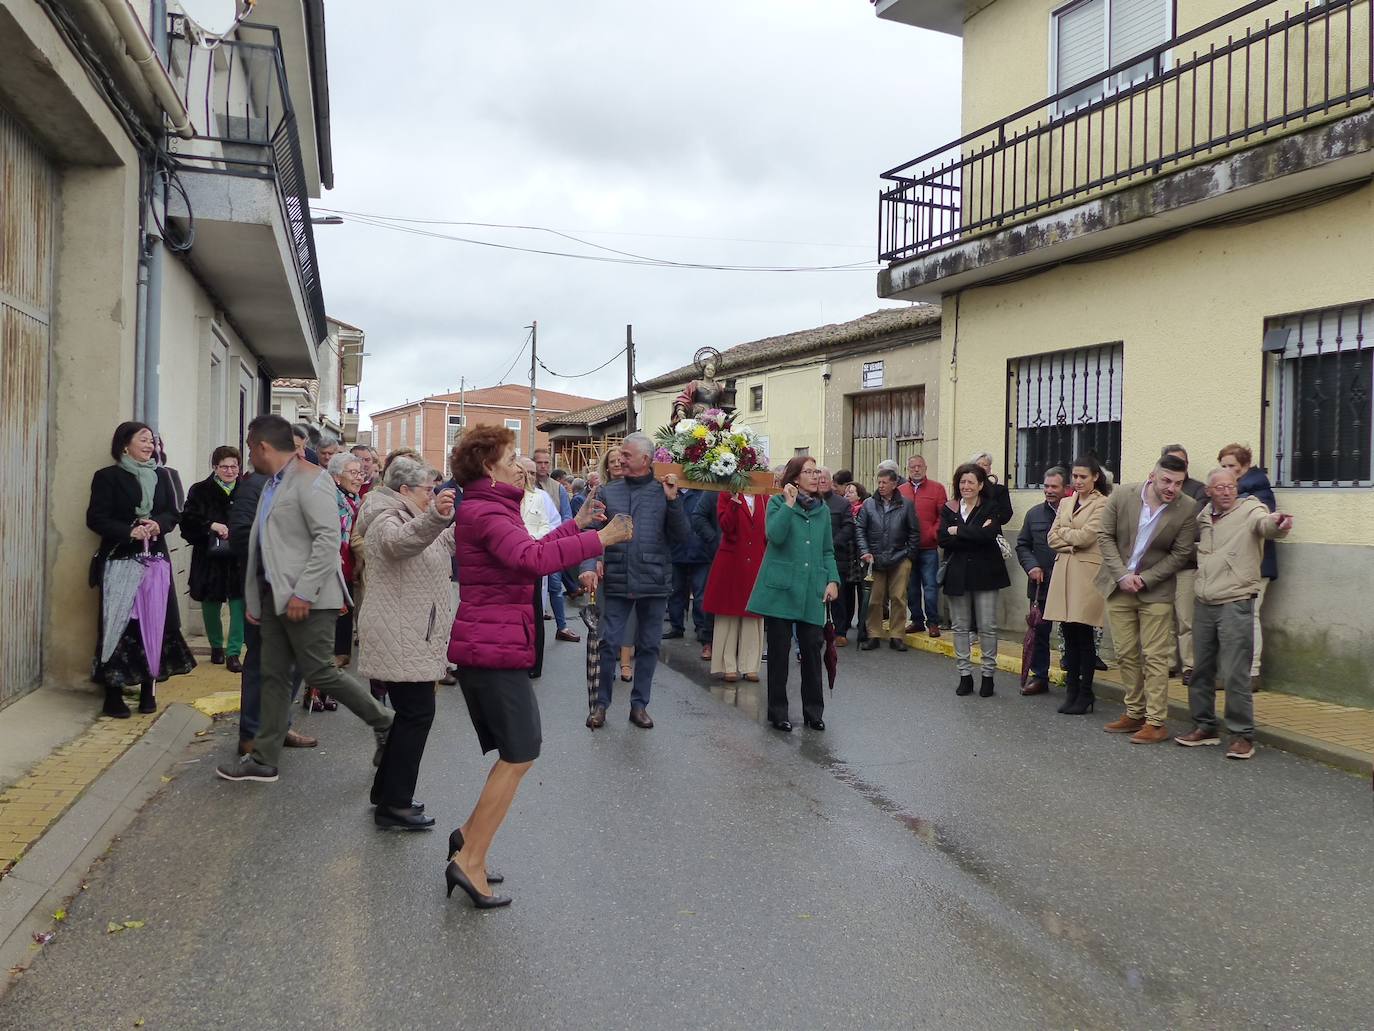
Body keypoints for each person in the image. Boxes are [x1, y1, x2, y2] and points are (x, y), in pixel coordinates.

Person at [445, 426, 626, 907]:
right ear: (489, 465)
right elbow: (531, 558)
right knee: (521, 753)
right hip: (492, 647)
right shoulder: (485, 509)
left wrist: (578, 524)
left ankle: (467, 838)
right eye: (511, 456)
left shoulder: (491, 505)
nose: (519, 463)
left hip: (494, 643)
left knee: (517, 751)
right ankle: (470, 860)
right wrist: (598, 539)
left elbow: (529, 548)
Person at [216, 415, 394, 784]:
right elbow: (263, 545)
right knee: (274, 676)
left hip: (308, 599)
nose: (249, 455)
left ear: (263, 446)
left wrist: (303, 592)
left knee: (320, 672)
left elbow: (327, 541)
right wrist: (256, 599)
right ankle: (264, 758)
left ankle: (386, 722)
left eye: (250, 448)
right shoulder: (273, 483)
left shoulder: (313, 481)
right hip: (275, 598)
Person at [354, 457, 458, 829]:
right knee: (417, 715)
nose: (432, 496)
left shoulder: (411, 516)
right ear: (404, 491)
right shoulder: (386, 518)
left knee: (409, 715)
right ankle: (395, 804)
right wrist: (436, 517)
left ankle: (387, 793)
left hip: (409, 633)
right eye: (427, 490)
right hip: (400, 634)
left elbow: (442, 540)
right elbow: (401, 545)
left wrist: (464, 518)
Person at [1175, 467, 1293, 759]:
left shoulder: (1251, 510)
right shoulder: (1203, 517)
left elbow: (1266, 525)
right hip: (1204, 601)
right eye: (1220, 487)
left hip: (1236, 602)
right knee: (1200, 669)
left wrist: (1278, 524)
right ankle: (1204, 726)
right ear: (1210, 492)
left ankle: (1242, 735)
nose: (1227, 491)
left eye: (1231, 486)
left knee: (1235, 673)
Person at [87, 422, 197, 717]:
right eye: (144, 440)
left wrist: (158, 524)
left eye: (153, 441)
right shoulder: (107, 477)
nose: (151, 446)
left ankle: (149, 690)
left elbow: (174, 513)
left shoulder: (163, 476)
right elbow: (96, 518)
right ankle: (113, 695)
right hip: (121, 559)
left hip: (155, 561)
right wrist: (129, 531)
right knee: (119, 626)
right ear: (125, 445)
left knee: (155, 623)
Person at [583, 432, 689, 730]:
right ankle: (600, 705)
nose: (621, 460)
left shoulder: (664, 491)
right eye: (620, 456)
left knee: (649, 645)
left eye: (627, 456)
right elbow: (591, 533)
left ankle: (639, 705)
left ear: (646, 459)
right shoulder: (608, 492)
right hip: (616, 579)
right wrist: (590, 564)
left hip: (654, 579)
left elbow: (682, 537)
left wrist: (673, 502)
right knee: (608, 643)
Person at [1096, 454, 1198, 744]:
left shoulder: (1186, 507)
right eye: (1166, 480)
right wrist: (1121, 576)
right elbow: (1104, 536)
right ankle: (1135, 712)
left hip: (1155, 590)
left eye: (1178, 483)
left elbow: (1181, 553)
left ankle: (1156, 722)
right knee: (1126, 652)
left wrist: (1146, 579)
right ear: (1152, 476)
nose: (1172, 488)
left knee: (1155, 656)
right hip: (1119, 586)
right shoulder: (1123, 495)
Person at [746, 456, 840, 732]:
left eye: (816, 471)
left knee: (812, 648)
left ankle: (814, 711)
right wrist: (788, 503)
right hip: (782, 589)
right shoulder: (777, 503)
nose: (815, 476)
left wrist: (833, 579)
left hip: (812, 588)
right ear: (795, 477)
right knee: (779, 652)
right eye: (808, 472)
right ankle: (778, 712)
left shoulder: (822, 510)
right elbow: (774, 535)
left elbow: (827, 551)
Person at [1044, 458, 1111, 715]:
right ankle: (1071, 690)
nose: (1078, 481)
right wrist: (1070, 540)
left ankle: (1086, 692)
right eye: (1075, 476)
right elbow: (1051, 537)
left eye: (1083, 476)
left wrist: (1066, 536)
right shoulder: (1065, 502)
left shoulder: (1102, 503)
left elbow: (1087, 537)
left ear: (1095, 477)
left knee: (1084, 636)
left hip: (1086, 573)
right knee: (1068, 634)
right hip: (1064, 571)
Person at [939, 462, 1010, 697]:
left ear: (981, 485)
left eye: (971, 482)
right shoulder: (949, 508)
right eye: (962, 482)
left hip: (987, 573)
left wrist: (957, 531)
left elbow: (989, 535)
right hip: (957, 574)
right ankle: (965, 675)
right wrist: (974, 533)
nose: (966, 486)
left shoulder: (991, 507)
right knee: (960, 627)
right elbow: (942, 539)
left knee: (987, 626)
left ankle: (988, 675)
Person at [1218, 443, 1278, 692]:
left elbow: (1260, 522)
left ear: (1245, 467)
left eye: (1232, 466)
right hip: (1236, 564)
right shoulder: (1232, 490)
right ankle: (1233, 671)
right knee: (1232, 619)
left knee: (1250, 617)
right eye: (1223, 466)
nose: (1228, 471)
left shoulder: (1257, 490)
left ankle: (1252, 672)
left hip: (1257, 564)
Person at [181, 446, 245, 673]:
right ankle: (216, 645)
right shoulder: (199, 490)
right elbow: (187, 521)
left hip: (239, 557)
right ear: (215, 468)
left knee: (239, 603)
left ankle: (234, 652)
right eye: (224, 466)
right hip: (209, 557)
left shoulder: (246, 490)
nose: (229, 471)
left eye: (234, 466)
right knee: (210, 602)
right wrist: (210, 526)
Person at [701, 489, 767, 682]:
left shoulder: (764, 497)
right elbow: (726, 526)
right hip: (731, 559)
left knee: (753, 616)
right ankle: (727, 664)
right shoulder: (726, 494)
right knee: (727, 614)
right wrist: (734, 503)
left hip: (755, 559)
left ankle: (750, 665)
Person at [1015, 466, 1067, 695]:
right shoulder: (1034, 514)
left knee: (1073, 633)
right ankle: (1039, 676)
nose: (1049, 491)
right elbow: (1022, 544)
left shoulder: (1074, 512)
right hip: (1041, 585)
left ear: (1067, 488)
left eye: (1054, 486)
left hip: (1068, 583)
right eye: (1046, 486)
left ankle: (1075, 677)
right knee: (1039, 632)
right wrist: (1031, 566)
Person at [855, 467, 919, 651]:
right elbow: (860, 529)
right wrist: (865, 552)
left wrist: (909, 555)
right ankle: (873, 633)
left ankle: (897, 635)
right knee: (875, 599)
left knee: (898, 597)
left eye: (885, 482)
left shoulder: (906, 505)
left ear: (894, 483)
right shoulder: (868, 504)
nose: (881, 486)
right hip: (874, 558)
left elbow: (914, 531)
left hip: (900, 557)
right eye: (879, 482)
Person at [1161, 445, 1207, 685]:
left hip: (1186, 564)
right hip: (1161, 564)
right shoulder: (1158, 490)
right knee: (1165, 616)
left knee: (1186, 618)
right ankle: (1168, 663)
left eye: (1182, 462)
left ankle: (1190, 665)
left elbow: (1194, 525)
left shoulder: (1198, 490)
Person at [898, 454, 949, 638]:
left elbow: (943, 516)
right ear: (908, 470)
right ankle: (917, 621)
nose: (916, 470)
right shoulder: (901, 490)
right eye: (912, 467)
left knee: (930, 586)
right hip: (908, 549)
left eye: (919, 466)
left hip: (928, 548)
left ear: (925, 468)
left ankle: (933, 622)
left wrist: (932, 533)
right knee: (911, 587)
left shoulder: (937, 489)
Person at [532, 448, 579, 642]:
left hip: (553, 543)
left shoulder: (557, 487)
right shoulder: (524, 485)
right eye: (539, 462)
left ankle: (562, 627)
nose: (543, 466)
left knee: (555, 586)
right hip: (530, 544)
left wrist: (557, 534)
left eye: (546, 463)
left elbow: (566, 516)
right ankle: (532, 629)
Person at [666, 488, 715, 657]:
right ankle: (676, 625)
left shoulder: (703, 492)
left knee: (701, 592)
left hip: (700, 550)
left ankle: (701, 627)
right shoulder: (674, 491)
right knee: (676, 590)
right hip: (677, 550)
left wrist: (710, 540)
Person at [330, 451, 364, 670]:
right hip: (334, 566)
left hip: (349, 566)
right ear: (336, 477)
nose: (359, 477)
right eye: (353, 473)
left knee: (345, 612)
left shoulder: (354, 499)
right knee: (335, 613)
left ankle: (340, 655)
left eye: (360, 473)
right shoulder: (331, 498)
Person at [816, 468, 857, 647]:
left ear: (831, 481)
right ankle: (817, 629)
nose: (822, 481)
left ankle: (840, 632)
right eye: (819, 479)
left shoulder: (842, 503)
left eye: (825, 478)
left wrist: (831, 544)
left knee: (839, 598)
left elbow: (849, 527)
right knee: (816, 596)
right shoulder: (810, 501)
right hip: (813, 557)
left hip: (836, 556)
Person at [970, 451, 1014, 525]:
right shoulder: (965, 489)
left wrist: (991, 520)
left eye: (985, 465)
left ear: (989, 468)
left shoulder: (1000, 490)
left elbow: (1006, 515)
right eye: (978, 464)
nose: (981, 467)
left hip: (991, 531)